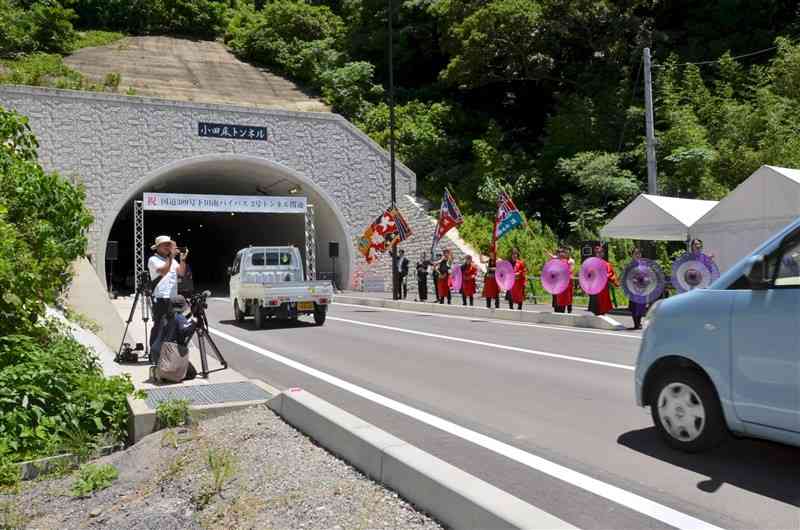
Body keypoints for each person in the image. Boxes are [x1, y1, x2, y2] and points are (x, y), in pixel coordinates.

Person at [148, 235, 187, 355]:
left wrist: (182, 260)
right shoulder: (153, 260)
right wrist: (171, 256)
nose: (168, 247)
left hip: (173, 298)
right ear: (158, 247)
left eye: (169, 245)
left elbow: (181, 273)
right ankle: (154, 352)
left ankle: (166, 351)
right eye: (165, 245)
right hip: (160, 297)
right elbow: (163, 271)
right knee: (159, 325)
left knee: (172, 325)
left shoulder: (173, 261)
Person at [587, 244, 618, 316]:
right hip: (594, 287)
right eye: (597, 252)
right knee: (595, 306)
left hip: (603, 288)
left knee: (603, 306)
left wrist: (608, 277)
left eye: (601, 252)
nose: (599, 254)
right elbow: (588, 275)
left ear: (603, 254)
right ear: (595, 254)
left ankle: (602, 315)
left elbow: (611, 275)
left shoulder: (607, 264)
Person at [549, 247, 574, 313]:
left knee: (562, 304)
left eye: (562, 253)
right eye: (559, 253)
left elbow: (569, 272)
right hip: (557, 285)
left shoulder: (567, 262)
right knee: (557, 303)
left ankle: (566, 312)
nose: (561, 254)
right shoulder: (556, 262)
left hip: (564, 286)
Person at [628, 247, 648, 330]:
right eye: (635, 253)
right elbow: (627, 277)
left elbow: (647, 275)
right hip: (633, 288)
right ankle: (636, 323)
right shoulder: (630, 265)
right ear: (632, 255)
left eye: (639, 253)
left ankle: (639, 322)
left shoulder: (644, 265)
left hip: (642, 288)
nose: (637, 255)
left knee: (641, 306)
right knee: (634, 306)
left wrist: (646, 280)